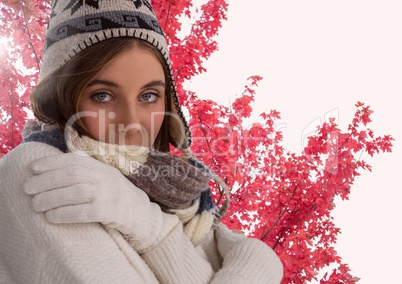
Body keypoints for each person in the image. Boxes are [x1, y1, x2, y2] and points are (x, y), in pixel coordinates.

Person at [0, 1, 283, 283]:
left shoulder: (171, 197)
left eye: (148, 96)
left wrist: (150, 224)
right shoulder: (37, 169)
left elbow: (236, 249)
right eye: (102, 95)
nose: (132, 123)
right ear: (60, 97)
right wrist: (253, 268)